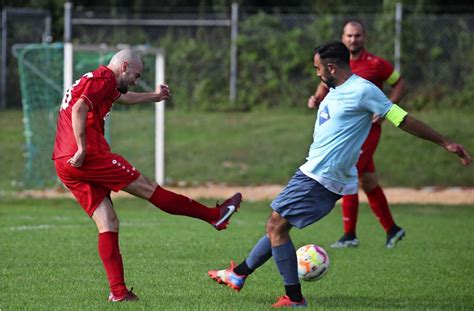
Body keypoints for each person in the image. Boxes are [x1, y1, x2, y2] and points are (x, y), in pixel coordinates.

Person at [208, 41, 472, 308]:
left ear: (331, 67)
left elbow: (402, 118)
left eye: (318, 68)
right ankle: (239, 273)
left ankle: (294, 299)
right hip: (318, 172)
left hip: (320, 175)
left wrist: (444, 142)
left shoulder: (362, 90)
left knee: (276, 227)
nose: (317, 74)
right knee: (279, 226)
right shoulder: (334, 90)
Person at [52, 48, 242, 302]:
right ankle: (215, 216)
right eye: (136, 75)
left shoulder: (100, 83)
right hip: (86, 155)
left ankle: (119, 292)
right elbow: (78, 109)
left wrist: (153, 97)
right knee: (149, 188)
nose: (136, 80)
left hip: (64, 161)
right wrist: (84, 148)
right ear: (123, 67)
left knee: (108, 222)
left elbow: (121, 98)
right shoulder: (104, 77)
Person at [308, 20, 407, 249]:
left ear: (364, 37)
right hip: (345, 133)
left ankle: (349, 235)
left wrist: (387, 107)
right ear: (343, 38)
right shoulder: (334, 64)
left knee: (348, 172)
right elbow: (326, 86)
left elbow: (400, 84)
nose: (353, 39)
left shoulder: (377, 65)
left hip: (367, 131)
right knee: (368, 181)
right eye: (349, 36)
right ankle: (392, 229)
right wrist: (316, 98)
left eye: (358, 35)